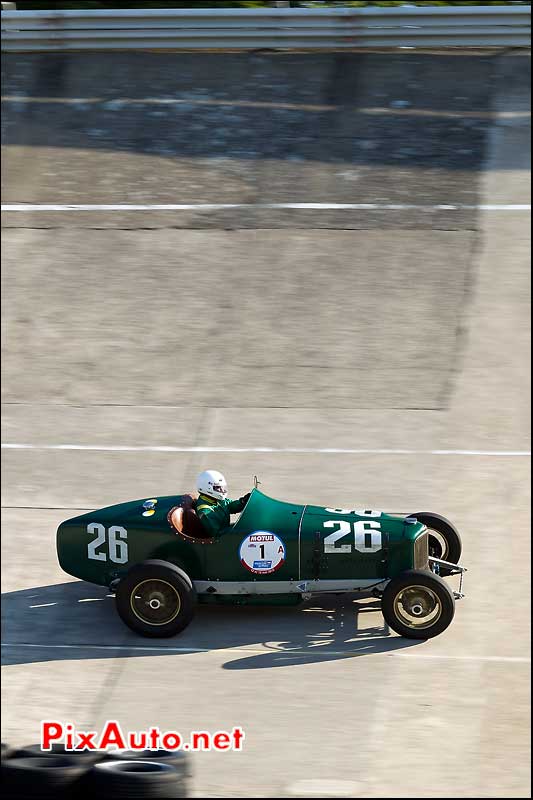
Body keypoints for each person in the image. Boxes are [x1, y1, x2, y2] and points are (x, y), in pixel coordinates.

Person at [195, 470, 251, 538]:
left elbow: (231, 506)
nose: (221, 490)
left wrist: (243, 501)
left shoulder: (216, 500)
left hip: (225, 533)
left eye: (222, 487)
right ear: (207, 488)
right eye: (218, 488)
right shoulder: (204, 511)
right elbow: (217, 534)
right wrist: (236, 529)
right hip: (218, 542)